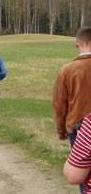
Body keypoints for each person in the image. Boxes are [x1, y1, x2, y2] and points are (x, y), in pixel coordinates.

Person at [53, 27, 91, 192]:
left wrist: (61, 130)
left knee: (81, 171)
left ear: (78, 44)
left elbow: (59, 106)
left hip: (79, 127)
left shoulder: (67, 71)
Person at [63, 113, 91, 193]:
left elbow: (72, 176)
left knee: (79, 168)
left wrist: (61, 130)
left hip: (75, 125)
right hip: (77, 125)